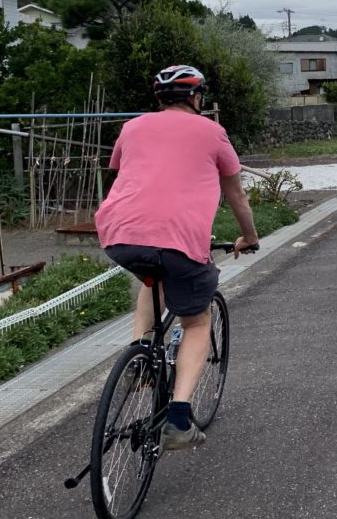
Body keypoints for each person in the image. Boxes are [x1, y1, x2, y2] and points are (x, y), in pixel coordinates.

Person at [96, 64, 260, 450]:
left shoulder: (133, 127)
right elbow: (236, 195)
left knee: (151, 280)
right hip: (180, 239)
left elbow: (124, 171)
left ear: (159, 99)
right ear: (196, 97)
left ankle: (139, 360)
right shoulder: (212, 132)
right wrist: (249, 237)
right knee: (197, 321)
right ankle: (179, 420)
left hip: (119, 234)